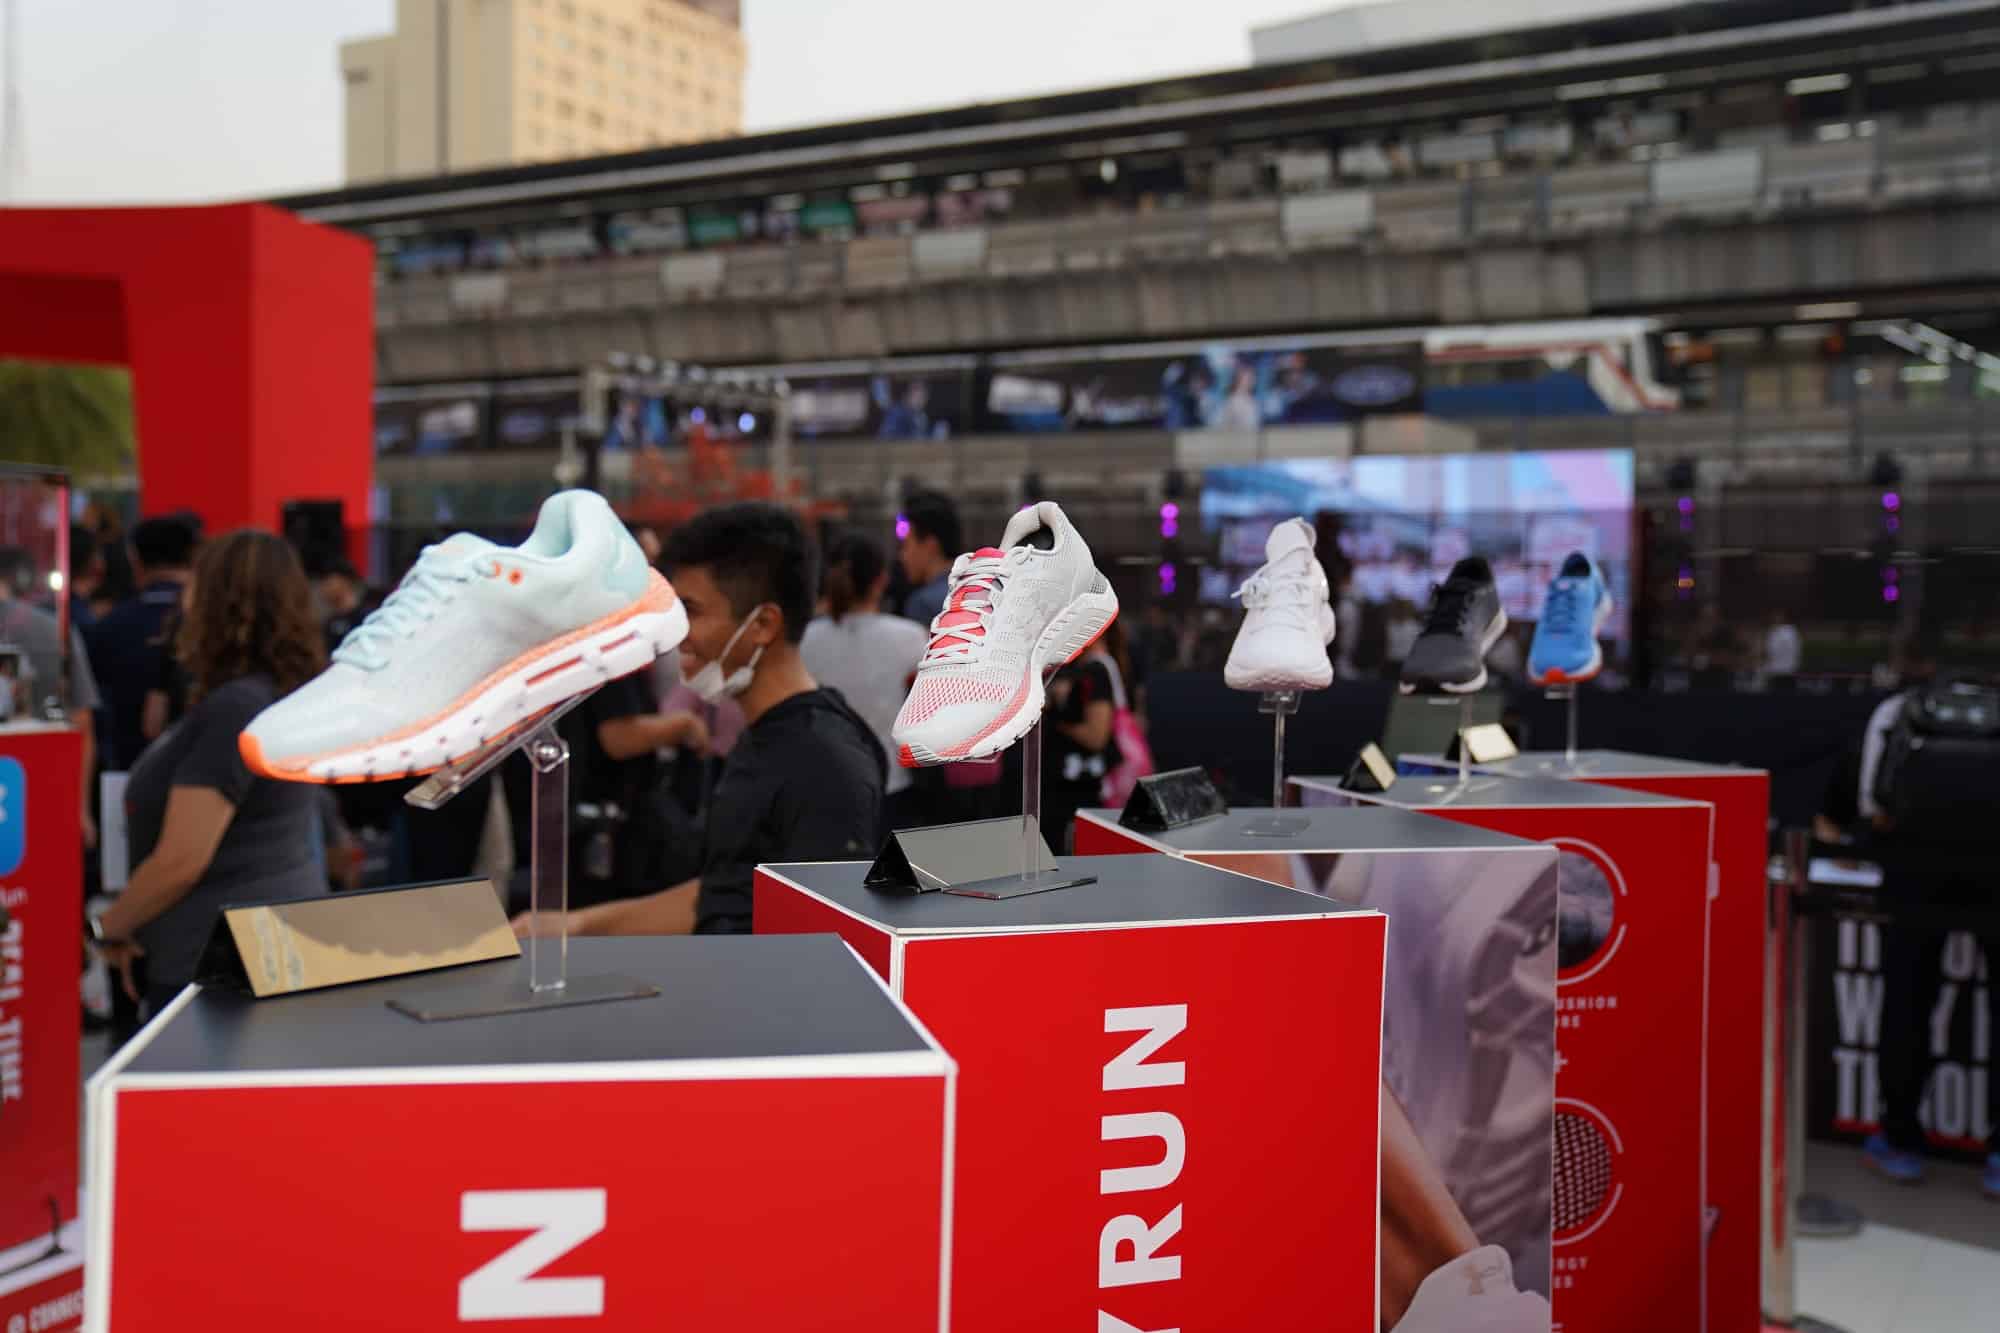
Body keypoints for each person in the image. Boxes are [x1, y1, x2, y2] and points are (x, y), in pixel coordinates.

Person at [523, 503, 883, 937]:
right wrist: (575, 925)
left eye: (690, 611)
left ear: (763, 624)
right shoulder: (766, 737)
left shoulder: (825, 764)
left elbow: (821, 936)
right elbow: (723, 894)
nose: (677, 633)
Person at [88, 530, 328, 1014]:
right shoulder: (271, 697)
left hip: (216, 963)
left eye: (195, 585)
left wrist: (105, 928)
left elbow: (182, 859)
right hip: (256, 950)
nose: (184, 600)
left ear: (221, 601)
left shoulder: (235, 708)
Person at [1848, 627, 1999, 1198]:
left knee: (1907, 1004)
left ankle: (1900, 1141)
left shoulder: (1898, 711)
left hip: (1913, 875)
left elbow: (1873, 805)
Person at [800, 532, 928, 832]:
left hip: (824, 782)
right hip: (890, 781)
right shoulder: (910, 637)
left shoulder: (805, 640)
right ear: (881, 580)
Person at [84, 515, 196, 772]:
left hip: (126, 768)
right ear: (193, 556)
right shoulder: (215, 622)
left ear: (135, 559)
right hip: (204, 770)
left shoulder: (111, 624)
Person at [897, 490, 962, 629]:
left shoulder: (923, 605)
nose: (902, 556)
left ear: (930, 545)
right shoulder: (979, 590)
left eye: (905, 545)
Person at [1763, 609, 1802, 689]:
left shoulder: (1780, 632)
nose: (1774, 618)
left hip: (1780, 671)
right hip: (1787, 670)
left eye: (1777, 616)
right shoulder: (1792, 631)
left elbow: (1770, 652)